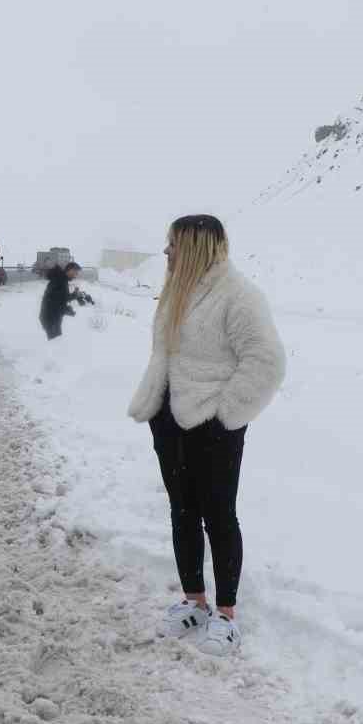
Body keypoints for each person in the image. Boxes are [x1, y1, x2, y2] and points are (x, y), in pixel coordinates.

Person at [127, 216, 285, 654]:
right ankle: (193, 601)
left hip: (214, 428)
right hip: (169, 419)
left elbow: (266, 362)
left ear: (196, 246)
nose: (166, 252)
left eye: (173, 244)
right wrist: (158, 408)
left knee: (219, 515)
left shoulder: (239, 296)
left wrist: (224, 416)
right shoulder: (177, 291)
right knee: (182, 511)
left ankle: (227, 613)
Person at [39, 261, 94, 340]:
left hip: (52, 316)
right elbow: (53, 302)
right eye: (76, 272)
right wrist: (66, 310)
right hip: (50, 317)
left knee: (56, 341)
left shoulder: (62, 280)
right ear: (70, 270)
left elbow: (61, 298)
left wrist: (74, 295)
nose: (76, 275)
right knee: (55, 342)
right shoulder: (59, 280)